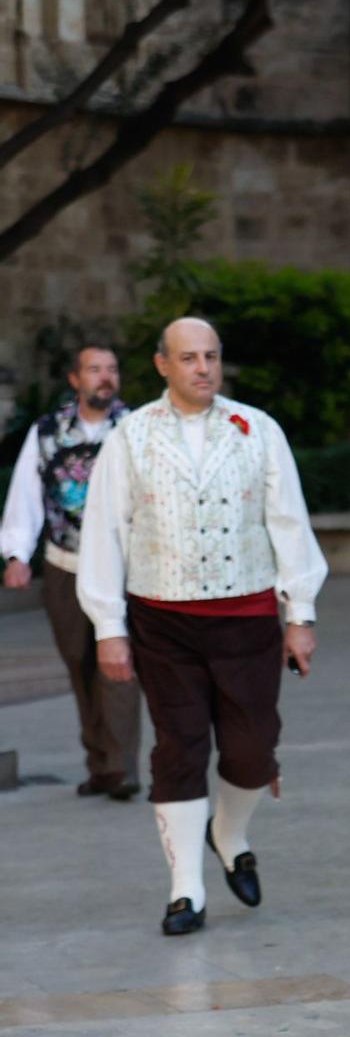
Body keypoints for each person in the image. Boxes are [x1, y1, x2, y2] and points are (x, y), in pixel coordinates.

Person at [76, 318, 327, 936]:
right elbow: (105, 532)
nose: (203, 369)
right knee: (178, 748)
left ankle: (229, 832)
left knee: (252, 748)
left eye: (211, 357)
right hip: (163, 619)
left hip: (246, 617)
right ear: (163, 365)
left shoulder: (257, 430)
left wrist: (301, 614)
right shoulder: (130, 437)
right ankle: (186, 889)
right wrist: (109, 625)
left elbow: (288, 523)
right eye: (189, 358)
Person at [2, 343, 143, 800]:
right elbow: (25, 492)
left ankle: (123, 767)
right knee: (80, 664)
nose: (105, 377)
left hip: (125, 566)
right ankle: (100, 762)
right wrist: (17, 555)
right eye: (95, 369)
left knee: (119, 662)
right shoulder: (47, 432)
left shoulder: (137, 429)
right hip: (66, 564)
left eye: (112, 369)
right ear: (75, 379)